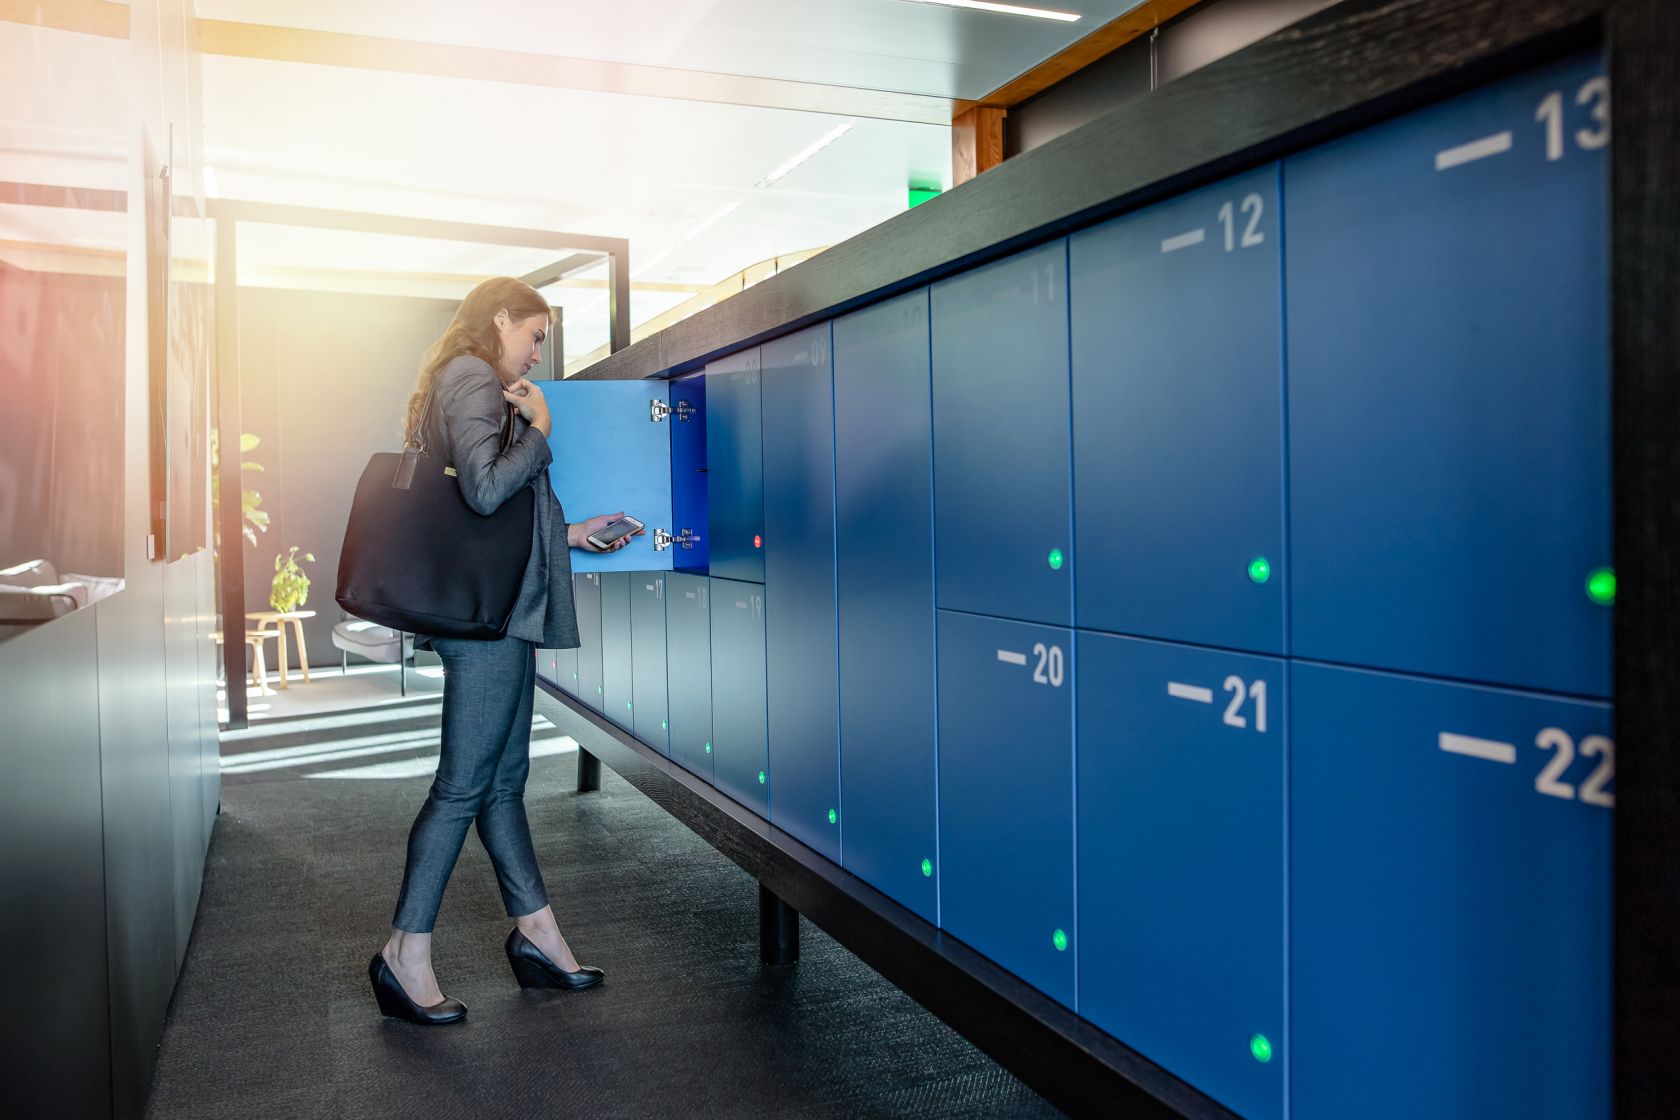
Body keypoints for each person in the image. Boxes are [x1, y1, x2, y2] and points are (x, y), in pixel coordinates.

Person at [368, 276, 640, 1025]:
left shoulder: (479, 383)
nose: (539, 347)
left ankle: (538, 935)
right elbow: (487, 492)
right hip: (484, 623)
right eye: (536, 331)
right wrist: (542, 431)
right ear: (500, 320)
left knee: (502, 783)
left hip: (504, 614)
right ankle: (404, 952)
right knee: (464, 786)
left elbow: (499, 506)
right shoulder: (470, 377)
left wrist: (574, 533)